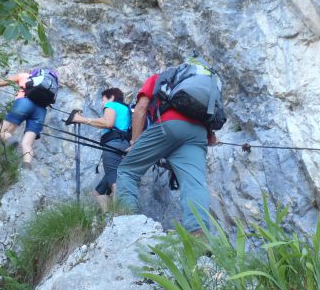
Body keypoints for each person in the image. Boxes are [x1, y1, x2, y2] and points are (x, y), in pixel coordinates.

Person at [115, 67, 218, 232]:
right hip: (199, 133)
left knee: (128, 169)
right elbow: (212, 139)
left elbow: (141, 108)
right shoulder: (209, 90)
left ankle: (126, 226)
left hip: (169, 124)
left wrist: (135, 142)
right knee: (194, 183)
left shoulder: (159, 78)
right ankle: (198, 233)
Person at [66, 88, 131, 212]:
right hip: (123, 147)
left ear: (111, 97)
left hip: (113, 146)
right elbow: (110, 125)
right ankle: (108, 216)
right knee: (98, 192)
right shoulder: (125, 109)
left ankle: (120, 217)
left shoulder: (111, 104)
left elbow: (108, 123)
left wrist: (81, 119)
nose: (102, 103)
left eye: (103, 99)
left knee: (115, 183)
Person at [0, 68, 59, 169]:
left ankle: (11, 141)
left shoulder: (25, 76)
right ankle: (27, 166)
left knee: (4, 132)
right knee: (27, 143)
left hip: (24, 103)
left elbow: (4, 82)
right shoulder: (51, 88)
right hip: (41, 111)